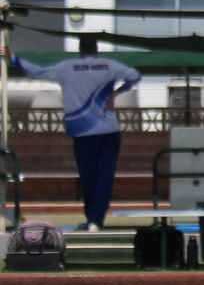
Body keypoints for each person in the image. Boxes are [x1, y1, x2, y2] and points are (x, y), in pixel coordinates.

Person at [7, 34, 140, 231]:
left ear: (80, 50)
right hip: (110, 131)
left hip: (83, 132)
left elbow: (38, 72)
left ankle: (92, 219)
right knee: (105, 176)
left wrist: (13, 59)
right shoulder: (109, 65)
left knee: (89, 177)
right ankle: (96, 220)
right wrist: (116, 93)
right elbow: (134, 76)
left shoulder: (68, 68)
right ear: (96, 49)